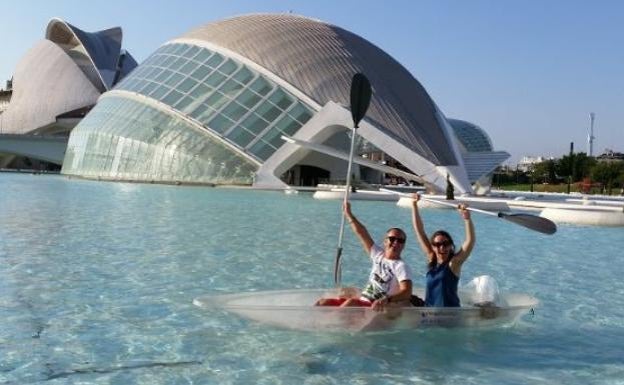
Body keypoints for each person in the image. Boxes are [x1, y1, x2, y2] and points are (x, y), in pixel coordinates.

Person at [316, 202, 414, 311]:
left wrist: (387, 300)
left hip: (375, 307)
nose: (396, 243)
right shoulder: (378, 255)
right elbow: (362, 233)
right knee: (323, 302)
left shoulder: (401, 266)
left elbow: (407, 292)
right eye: (392, 239)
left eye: (400, 241)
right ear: (385, 241)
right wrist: (348, 214)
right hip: (363, 300)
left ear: (403, 245)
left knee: (351, 303)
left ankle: (329, 326)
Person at [411, 194, 475, 307]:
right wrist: (414, 205)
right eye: (437, 244)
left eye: (446, 244)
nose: (442, 247)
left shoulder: (454, 263)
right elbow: (419, 230)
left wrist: (467, 219)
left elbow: (470, 241)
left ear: (451, 245)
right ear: (433, 246)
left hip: (449, 316)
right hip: (429, 314)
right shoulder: (431, 258)